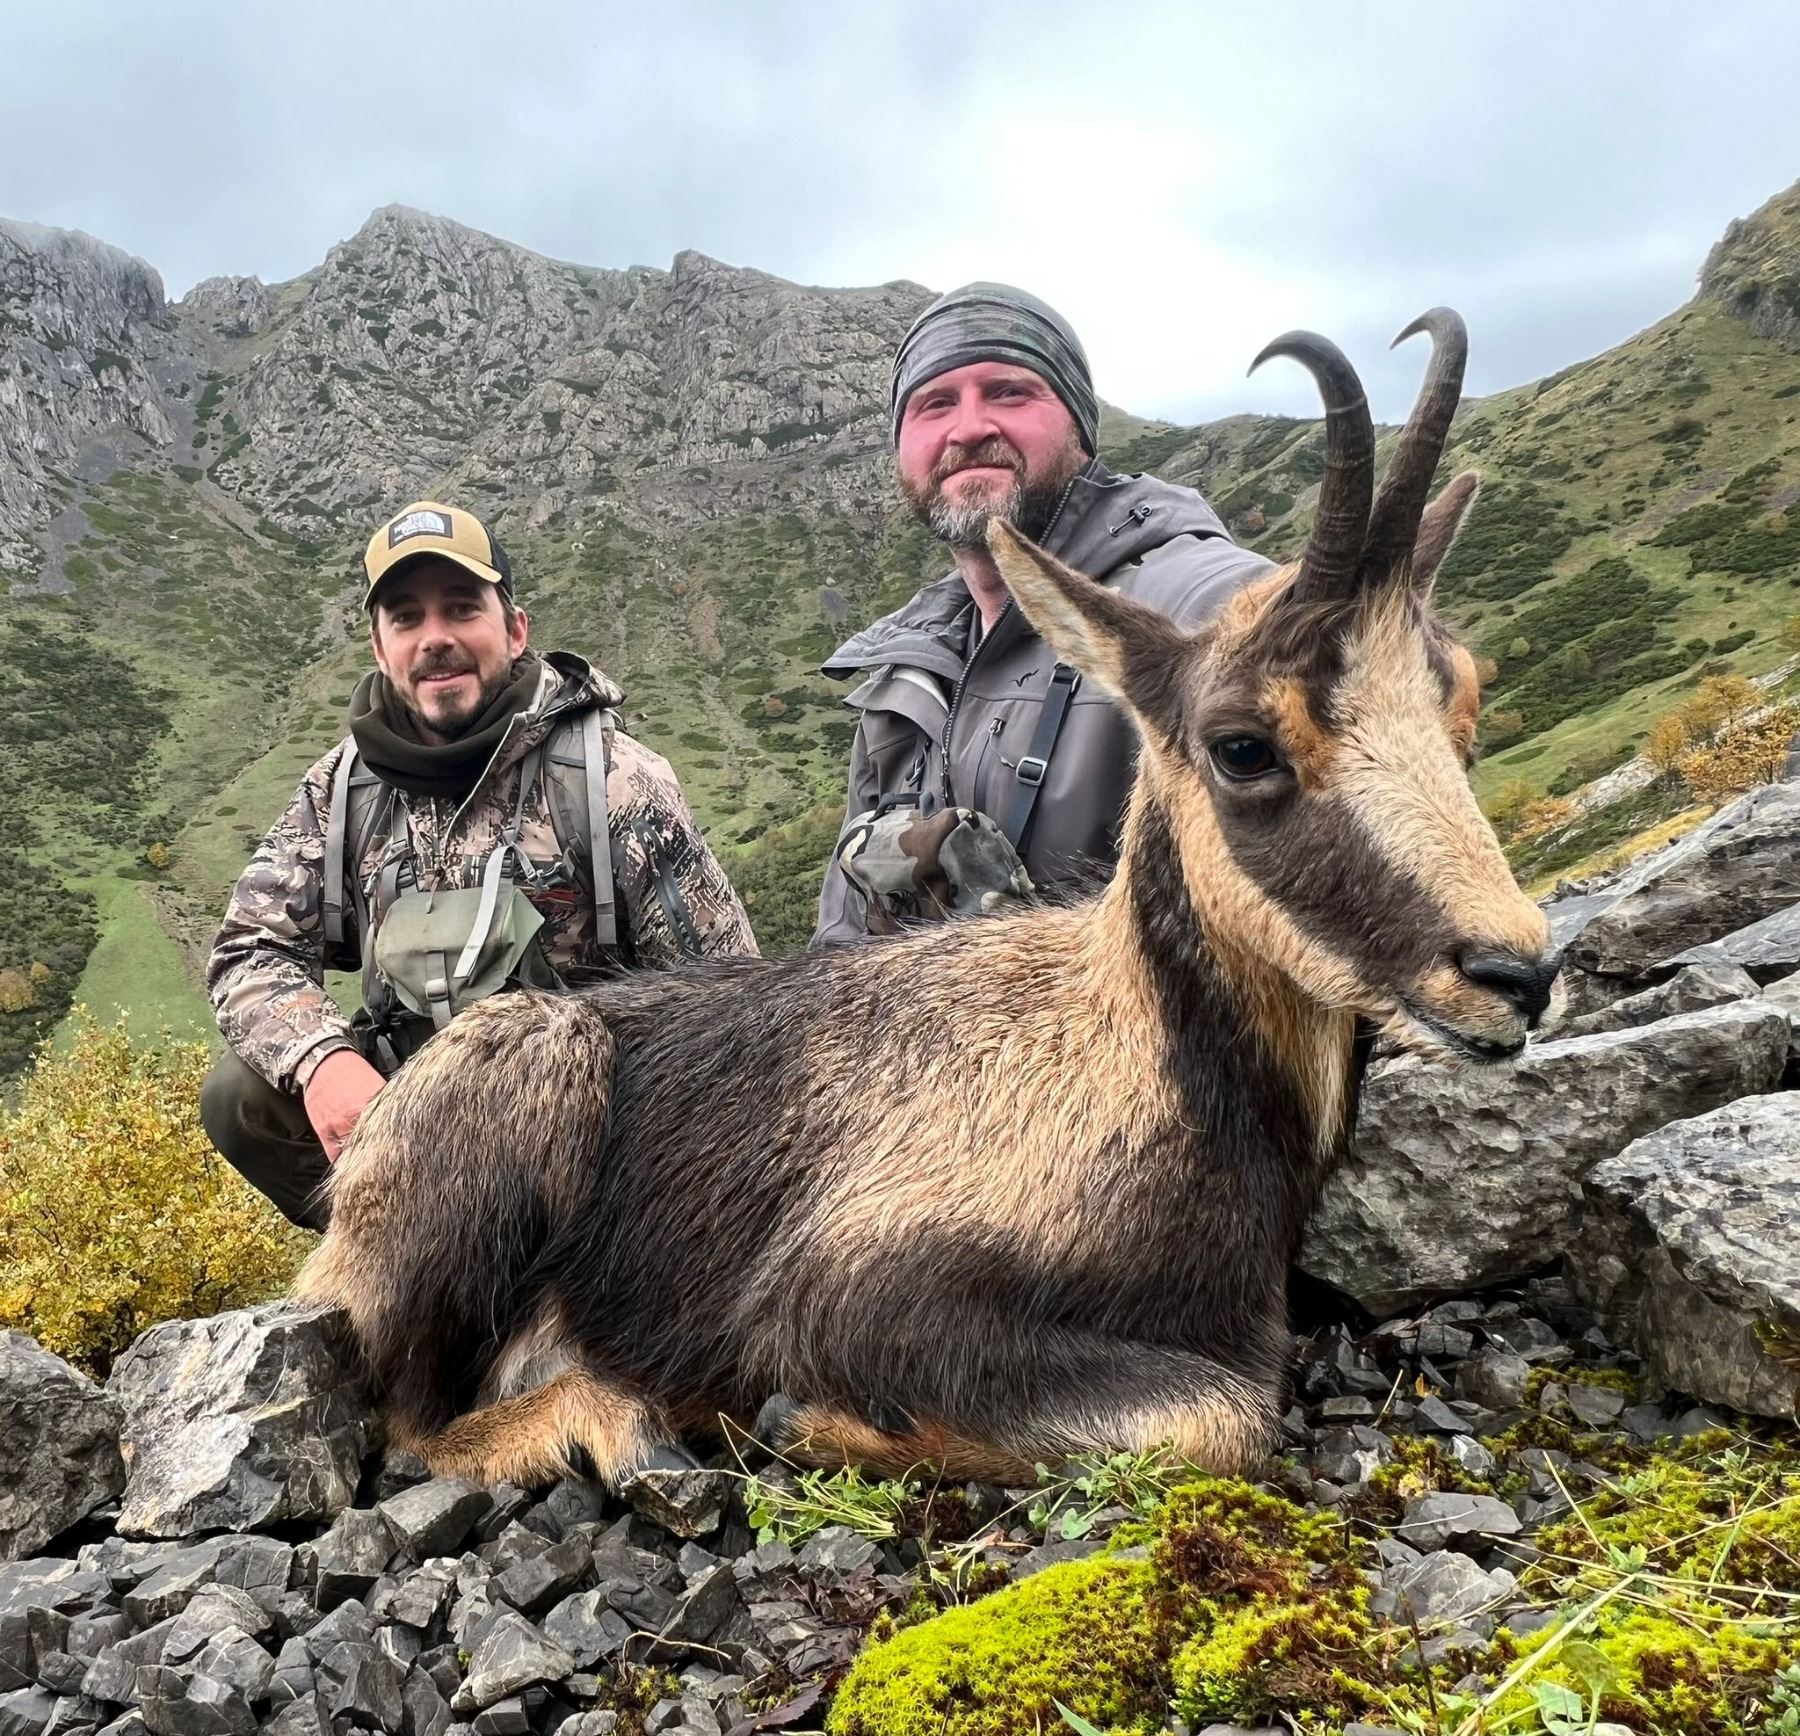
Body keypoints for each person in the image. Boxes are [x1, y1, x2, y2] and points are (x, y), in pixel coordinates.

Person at [203, 500, 756, 1229]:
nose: (435, 638)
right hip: (408, 1119)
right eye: (406, 618)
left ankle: (581, 1274)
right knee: (241, 1099)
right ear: (380, 646)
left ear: (515, 629)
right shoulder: (340, 789)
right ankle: (398, 1249)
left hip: (589, 1140)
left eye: (462, 609)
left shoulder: (613, 778)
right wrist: (322, 1061)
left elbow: (730, 999)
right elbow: (249, 950)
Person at [812, 283, 1276, 945]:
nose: (969, 428)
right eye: (935, 404)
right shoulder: (901, 684)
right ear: (903, 448)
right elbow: (839, 949)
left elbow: (1268, 624)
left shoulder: (1190, 605)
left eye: (1008, 392)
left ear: (1079, 427)